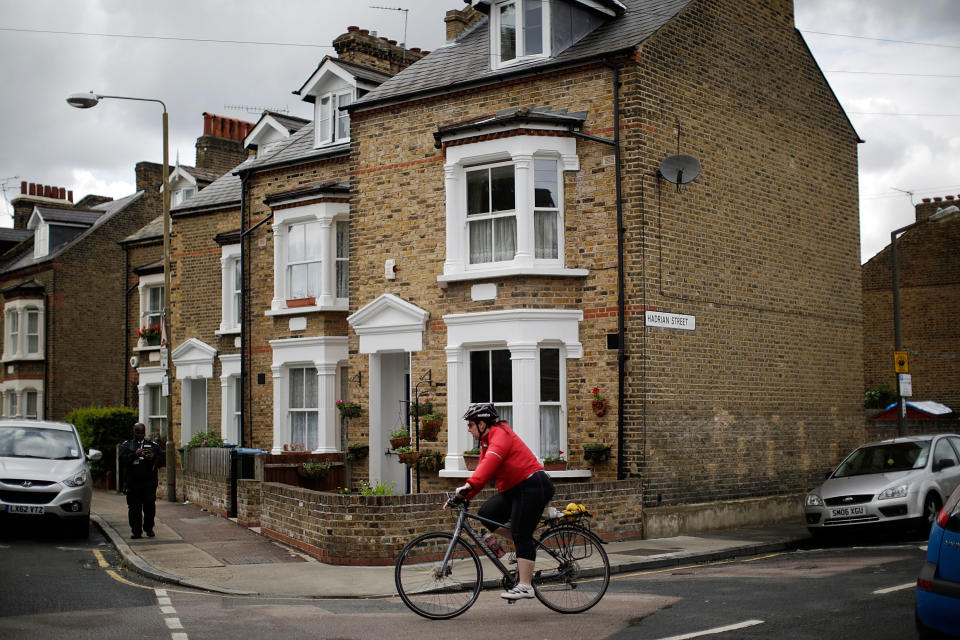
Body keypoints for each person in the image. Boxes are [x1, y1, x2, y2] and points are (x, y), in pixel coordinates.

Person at [451, 403, 555, 600]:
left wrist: (468, 487)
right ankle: (524, 546)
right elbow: (482, 470)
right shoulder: (486, 442)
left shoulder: (500, 436)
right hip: (515, 488)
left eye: (470, 424)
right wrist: (465, 494)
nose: (468, 429)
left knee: (521, 533)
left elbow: (489, 465)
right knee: (487, 514)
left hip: (532, 485)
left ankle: (525, 585)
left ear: (482, 424)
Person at [118, 422, 165, 539]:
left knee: (149, 506)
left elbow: (162, 461)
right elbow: (122, 461)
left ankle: (149, 528)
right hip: (133, 482)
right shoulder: (127, 445)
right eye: (138, 433)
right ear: (134, 432)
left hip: (149, 482)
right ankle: (136, 530)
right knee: (134, 508)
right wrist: (134, 454)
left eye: (142, 433)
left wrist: (152, 457)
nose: (140, 435)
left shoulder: (153, 445)